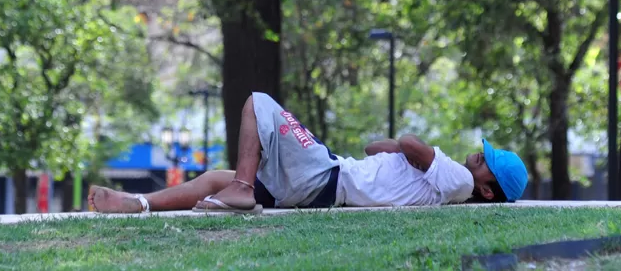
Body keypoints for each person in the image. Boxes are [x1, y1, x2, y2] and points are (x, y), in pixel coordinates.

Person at [89, 93, 528, 215]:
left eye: (487, 161)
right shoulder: (446, 181)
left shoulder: (460, 181)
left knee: (259, 102)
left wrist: (416, 152)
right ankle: (139, 202)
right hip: (323, 183)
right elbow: (374, 148)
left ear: (488, 190)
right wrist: (411, 155)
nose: (478, 156)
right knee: (212, 179)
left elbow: (409, 143)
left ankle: (243, 188)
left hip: (326, 176)